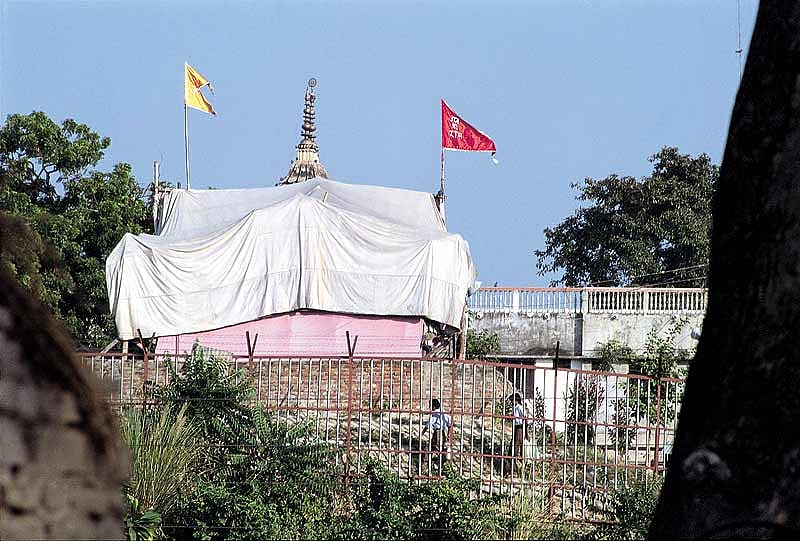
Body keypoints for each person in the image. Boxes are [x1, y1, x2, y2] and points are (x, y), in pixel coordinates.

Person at [422, 398, 451, 467]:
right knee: (441, 447)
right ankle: (443, 464)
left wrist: (422, 432)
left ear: (433, 406)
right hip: (443, 432)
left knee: (433, 447)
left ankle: (428, 463)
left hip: (437, 432)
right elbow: (450, 424)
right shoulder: (444, 413)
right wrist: (448, 434)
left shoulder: (435, 414)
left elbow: (428, 424)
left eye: (430, 406)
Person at [508, 393, 526, 473]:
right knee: (513, 446)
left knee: (516, 447)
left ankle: (516, 469)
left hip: (519, 427)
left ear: (516, 400)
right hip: (516, 427)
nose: (512, 402)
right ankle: (514, 467)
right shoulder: (515, 408)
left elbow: (525, 418)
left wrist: (526, 432)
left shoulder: (519, 407)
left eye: (512, 400)